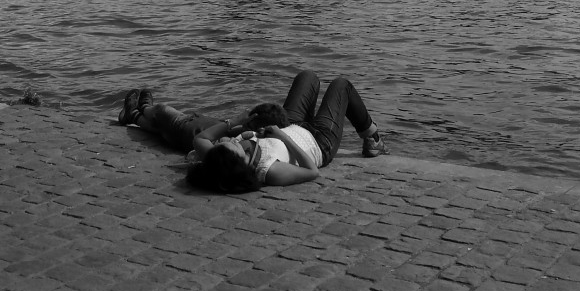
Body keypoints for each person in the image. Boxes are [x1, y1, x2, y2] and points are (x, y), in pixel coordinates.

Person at [185, 70, 386, 194]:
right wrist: (281, 137)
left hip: (291, 126)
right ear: (237, 160)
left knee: (307, 76)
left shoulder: (217, 160)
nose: (230, 141)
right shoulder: (269, 171)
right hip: (319, 141)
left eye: (224, 142)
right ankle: (373, 138)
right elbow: (311, 171)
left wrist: (237, 120)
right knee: (341, 85)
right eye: (232, 144)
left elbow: (201, 138)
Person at [117, 87, 289, 153]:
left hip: (187, 128)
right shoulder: (256, 142)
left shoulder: (243, 137)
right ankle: (132, 115)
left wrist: (237, 121)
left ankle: (145, 108)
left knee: (162, 111)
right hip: (187, 131)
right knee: (159, 130)